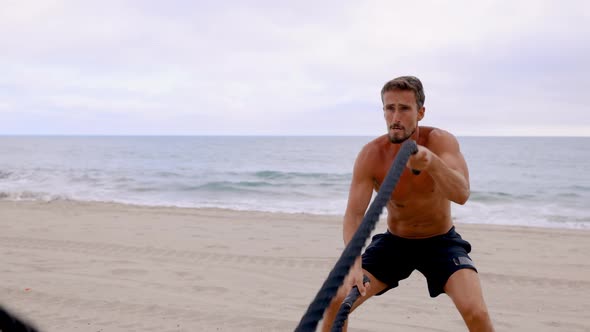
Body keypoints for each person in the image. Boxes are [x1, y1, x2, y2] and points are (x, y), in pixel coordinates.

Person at [321, 76, 494, 331]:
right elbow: (354, 215)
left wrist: (432, 163)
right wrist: (354, 262)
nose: (395, 117)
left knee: (476, 312)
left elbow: (462, 194)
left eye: (404, 108)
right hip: (395, 244)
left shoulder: (440, 142)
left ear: (420, 112)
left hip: (441, 243)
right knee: (337, 301)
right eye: (390, 108)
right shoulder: (372, 154)